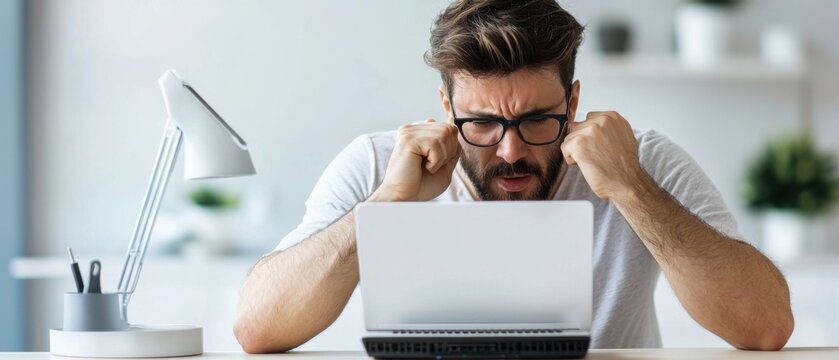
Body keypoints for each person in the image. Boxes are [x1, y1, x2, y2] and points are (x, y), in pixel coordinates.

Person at [233, 0, 793, 353]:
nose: (511, 150)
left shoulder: (640, 160)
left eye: (536, 120)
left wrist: (629, 188)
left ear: (573, 103)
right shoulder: (380, 164)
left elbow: (765, 327)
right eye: (481, 122)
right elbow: (258, 330)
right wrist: (387, 203)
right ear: (446, 108)